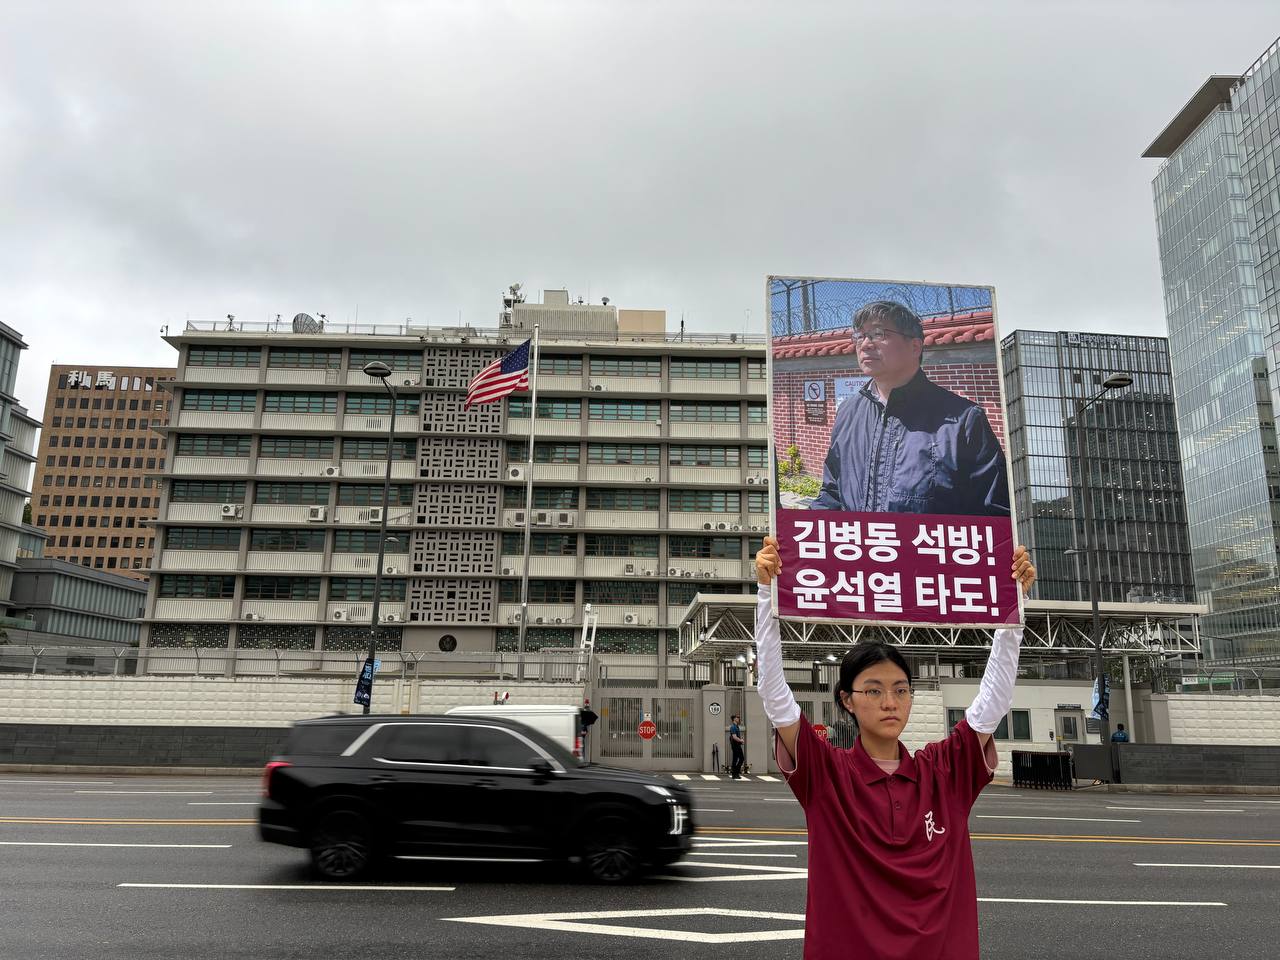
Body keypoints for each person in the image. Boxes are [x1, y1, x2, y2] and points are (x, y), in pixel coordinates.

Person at [755, 534, 1035, 960]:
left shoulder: (944, 772)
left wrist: (1013, 608)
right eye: (873, 690)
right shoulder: (826, 774)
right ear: (846, 701)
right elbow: (775, 697)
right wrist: (766, 593)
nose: (890, 702)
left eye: (901, 690)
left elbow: (992, 703)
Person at [809, 300, 1010, 516]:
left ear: (915, 347)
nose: (865, 344)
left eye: (878, 334)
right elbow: (832, 494)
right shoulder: (848, 412)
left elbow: (994, 513)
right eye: (859, 336)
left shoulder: (964, 420)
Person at [729, 714, 745, 779]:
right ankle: (735, 773)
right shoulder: (733, 727)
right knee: (741, 758)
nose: (738, 718)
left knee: (735, 759)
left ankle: (735, 774)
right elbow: (734, 737)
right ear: (734, 719)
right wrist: (741, 740)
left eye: (739, 717)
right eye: (737, 717)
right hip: (735, 745)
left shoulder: (736, 726)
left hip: (737, 745)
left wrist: (740, 741)